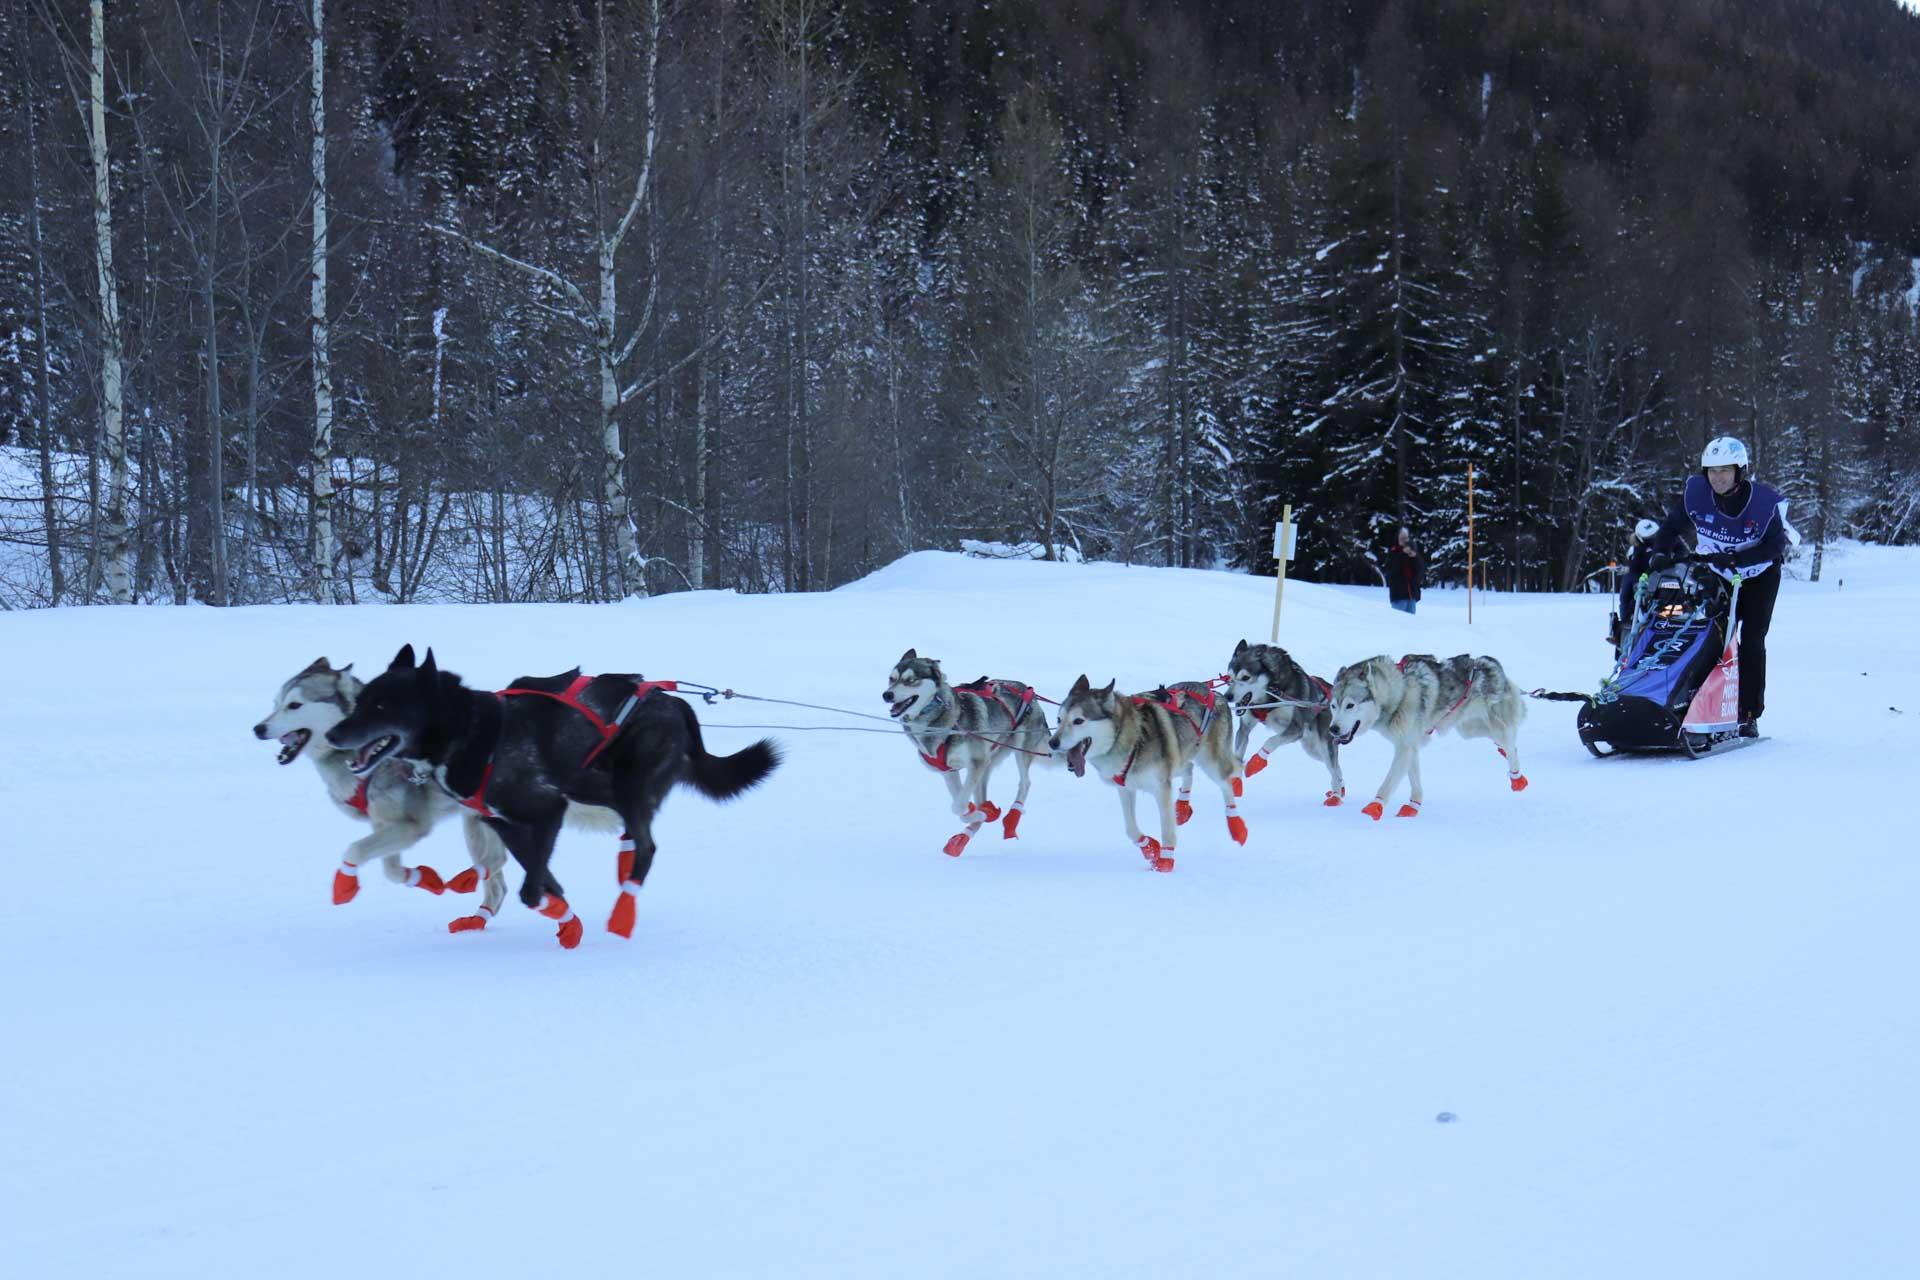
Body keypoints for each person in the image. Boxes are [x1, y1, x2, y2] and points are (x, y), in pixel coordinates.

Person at [1646, 436, 1791, 737]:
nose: (1718, 477)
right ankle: (1690, 701)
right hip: (1719, 572)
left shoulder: (1763, 503)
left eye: (1725, 470)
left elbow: (1777, 544)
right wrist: (1661, 551)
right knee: (1708, 632)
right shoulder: (1696, 494)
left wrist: (1740, 557)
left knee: (1750, 641)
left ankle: (1748, 712)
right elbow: (1672, 527)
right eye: (1712, 471)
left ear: (1740, 471)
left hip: (1759, 575)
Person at [1610, 517, 1663, 648]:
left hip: (1669, 576)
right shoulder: (1639, 550)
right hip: (1647, 578)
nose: (1654, 538)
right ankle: (1625, 624)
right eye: (1650, 537)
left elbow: (1680, 550)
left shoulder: (1668, 540)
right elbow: (1635, 567)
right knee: (1627, 591)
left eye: (1655, 535)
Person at [1384, 527, 1422, 615]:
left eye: (1406, 538)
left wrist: (1415, 557)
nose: (1404, 540)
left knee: (1411, 624)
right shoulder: (1393, 552)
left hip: (1412, 594)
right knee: (1399, 622)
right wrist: (1403, 554)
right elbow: (1392, 571)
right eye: (1402, 538)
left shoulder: (1413, 551)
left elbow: (1420, 570)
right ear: (1397, 538)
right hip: (1398, 595)